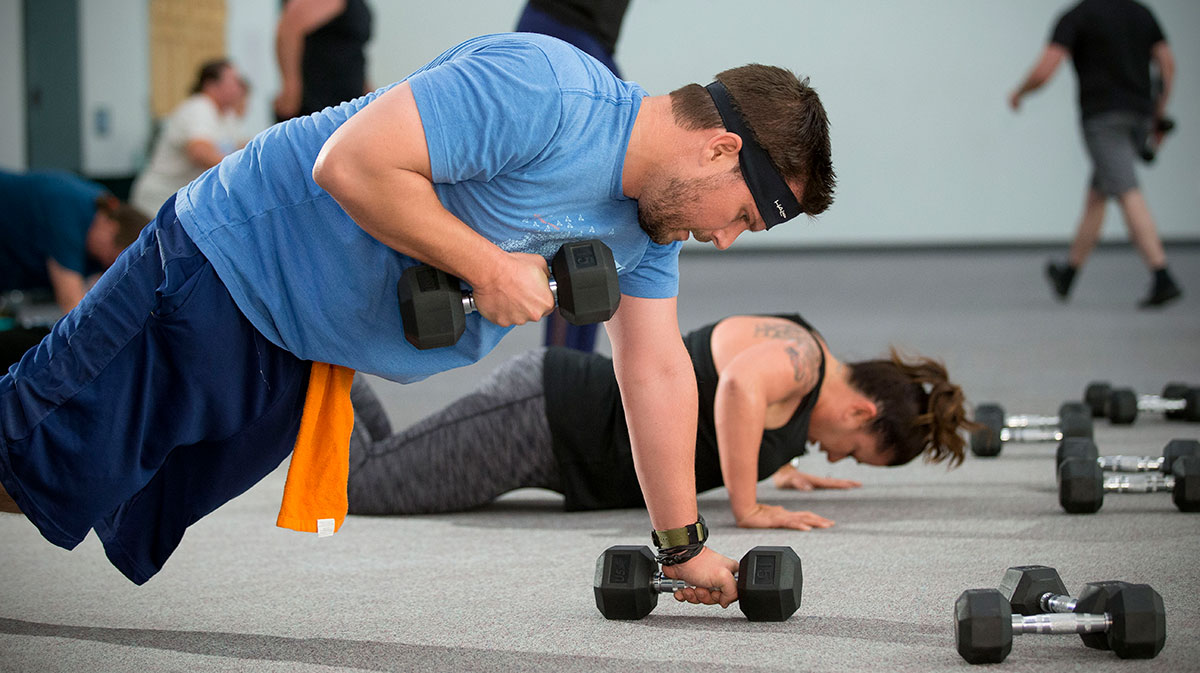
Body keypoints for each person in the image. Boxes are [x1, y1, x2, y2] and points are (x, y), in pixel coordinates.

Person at [0, 33, 835, 607]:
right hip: (221, 266)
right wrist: (487, 265)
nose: (724, 239)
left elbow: (653, 372)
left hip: (298, 354)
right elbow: (350, 163)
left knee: (91, 488)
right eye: (744, 217)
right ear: (721, 149)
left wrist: (682, 545)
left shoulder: (646, 236)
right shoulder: (546, 89)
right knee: (29, 454)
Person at [346, 313, 972, 529]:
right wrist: (747, 506)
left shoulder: (803, 386)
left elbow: (740, 414)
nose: (837, 458)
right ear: (863, 411)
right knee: (360, 486)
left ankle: (331, 367)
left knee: (384, 462)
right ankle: (311, 350)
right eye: (855, 451)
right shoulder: (801, 357)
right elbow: (736, 390)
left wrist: (781, 470)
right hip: (545, 418)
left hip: (558, 438)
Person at [1008, 0, 1180, 308]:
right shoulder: (1141, 12)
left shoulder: (1078, 16)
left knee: (1127, 191)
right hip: (1140, 113)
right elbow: (1167, 63)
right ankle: (1069, 273)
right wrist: (1159, 112)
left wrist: (1020, 92)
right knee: (1098, 194)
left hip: (1104, 119)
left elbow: (1048, 67)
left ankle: (1161, 273)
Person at [515, 0, 632, 352]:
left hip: (585, 35)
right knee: (589, 205)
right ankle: (564, 373)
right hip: (562, 26)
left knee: (602, 206)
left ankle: (570, 369)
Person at [0, 169, 148, 313]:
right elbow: (72, 304)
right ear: (111, 227)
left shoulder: (99, 207)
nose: (104, 264)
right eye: (109, 257)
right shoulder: (67, 213)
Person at [129, 59, 249, 215]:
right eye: (233, 81)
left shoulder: (227, 115)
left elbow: (239, 146)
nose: (238, 88)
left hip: (182, 199)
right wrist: (240, 174)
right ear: (211, 85)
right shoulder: (199, 107)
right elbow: (199, 152)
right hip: (160, 197)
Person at [273, 0, 373, 120]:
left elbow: (350, 52)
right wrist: (291, 87)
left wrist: (368, 94)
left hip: (345, 101)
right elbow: (289, 29)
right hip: (317, 104)